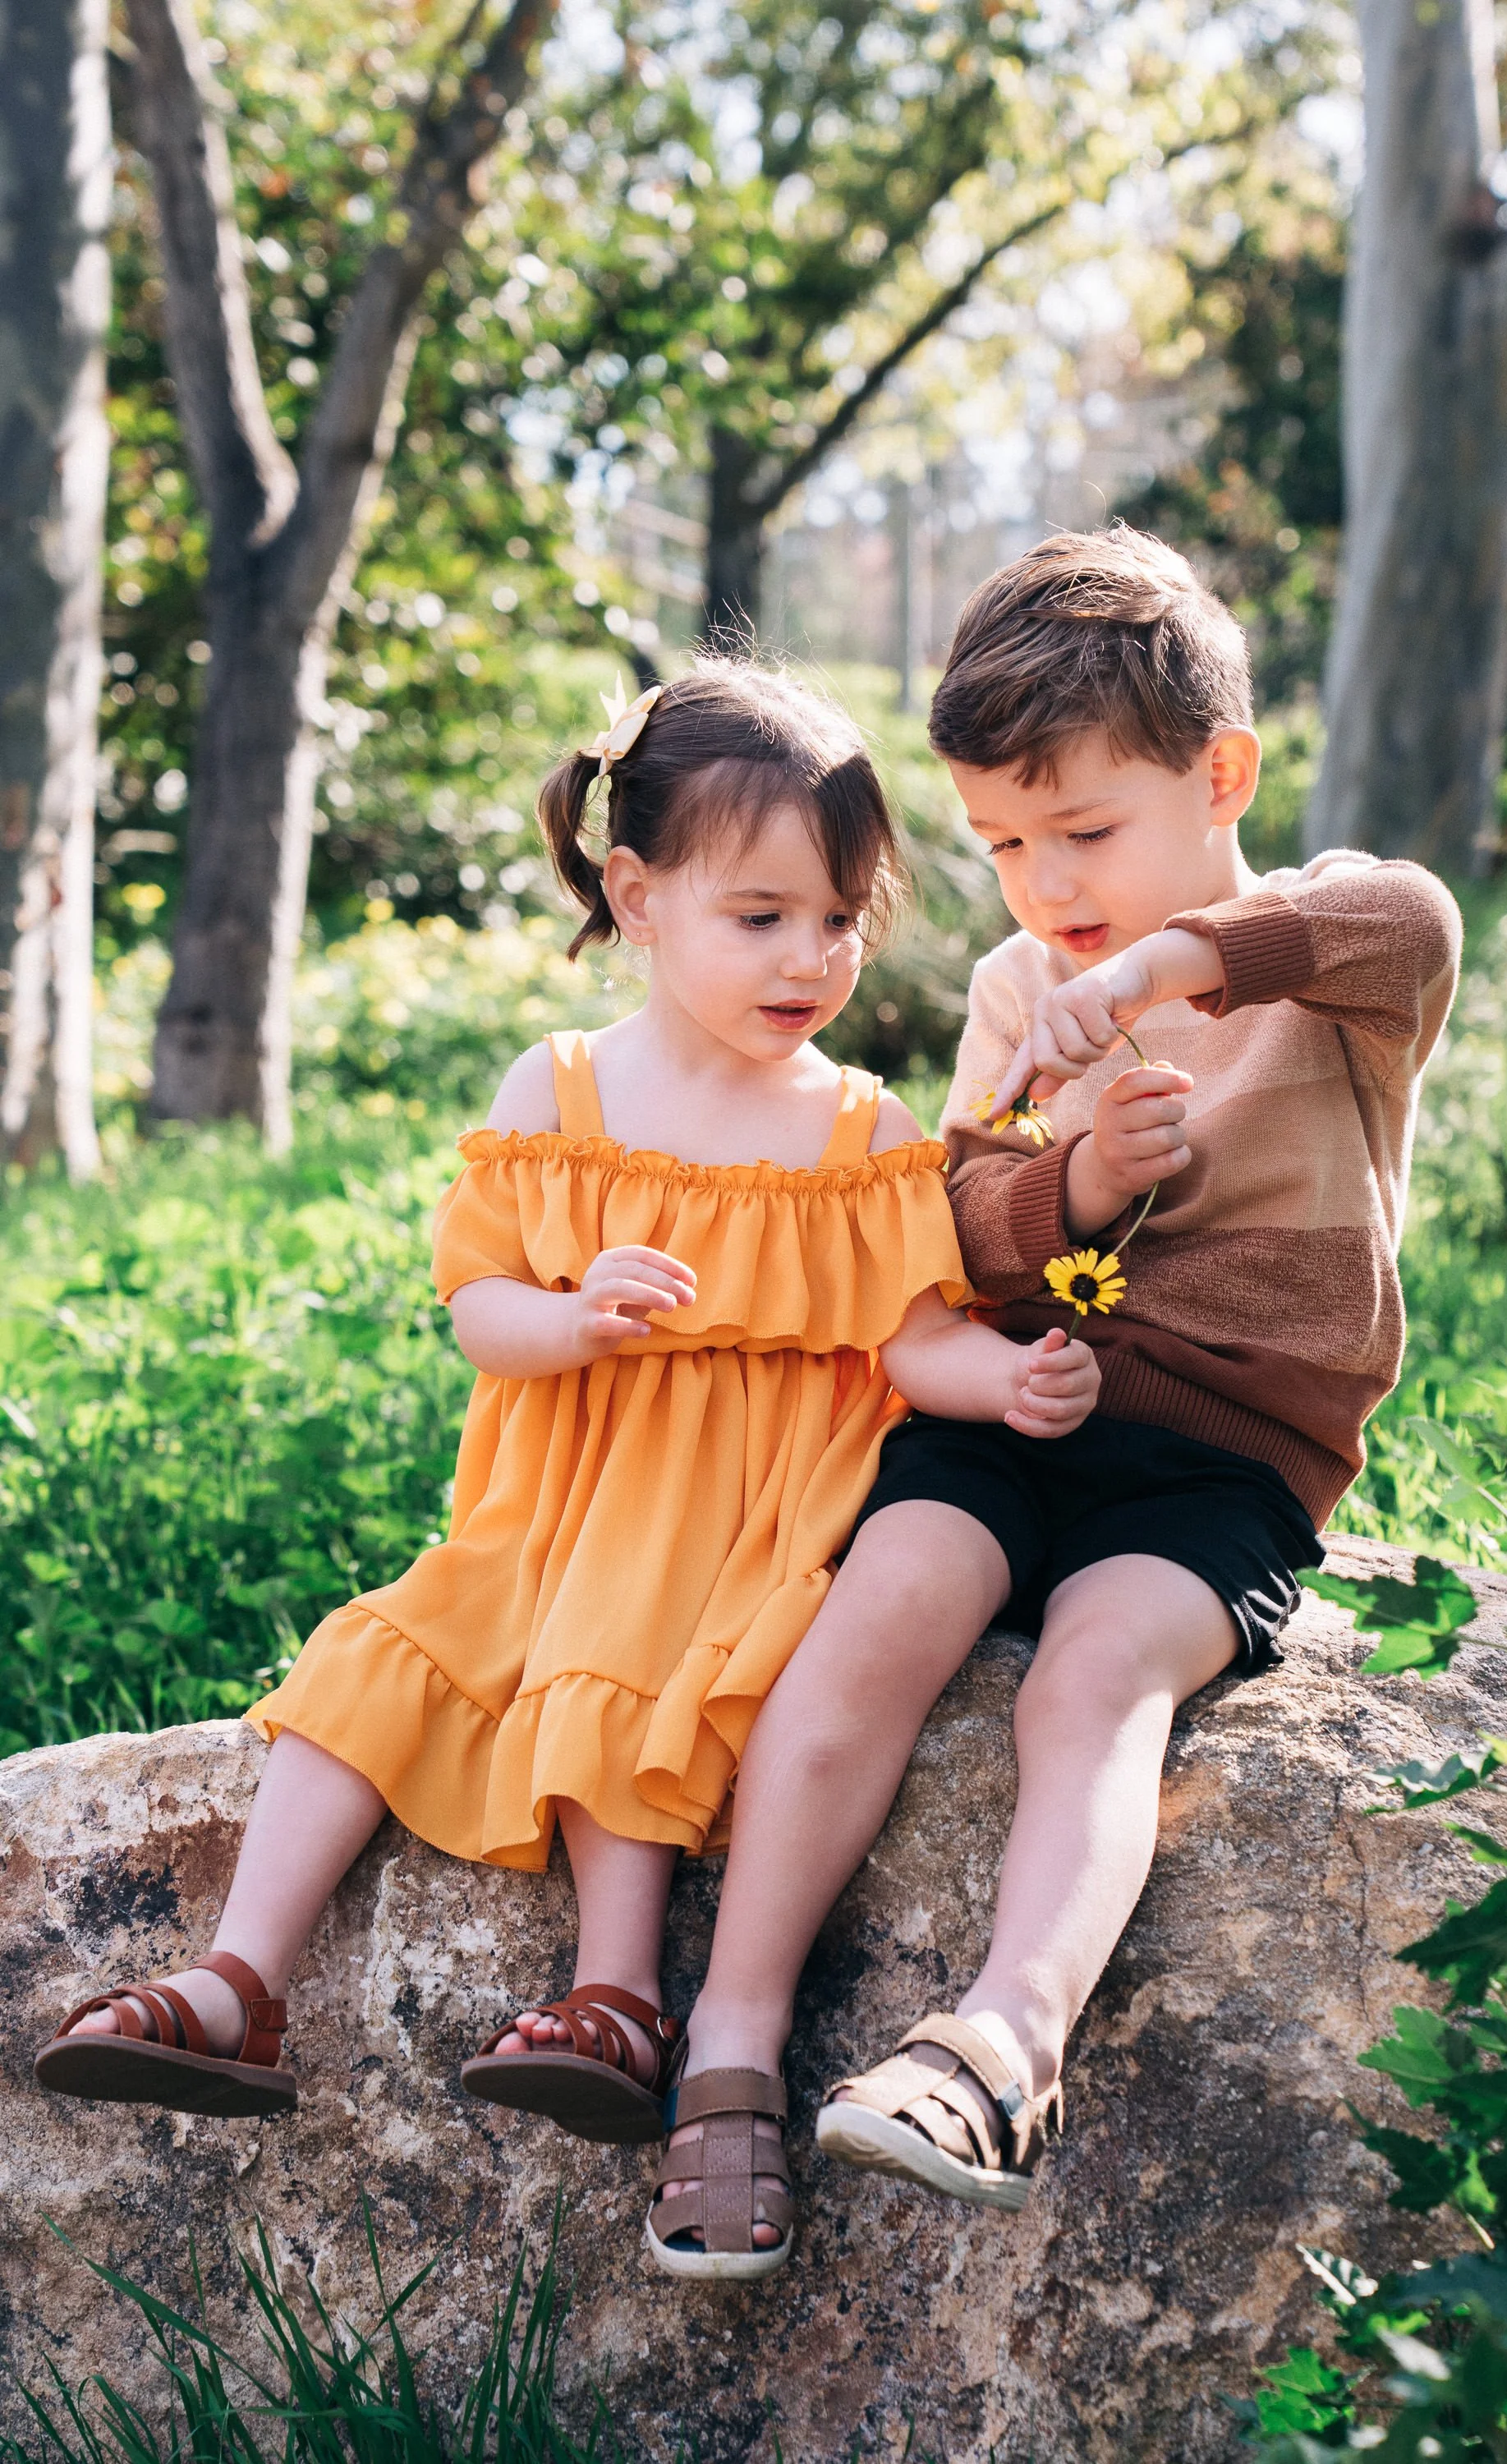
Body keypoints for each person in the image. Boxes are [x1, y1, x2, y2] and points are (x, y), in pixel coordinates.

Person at [34, 659, 1102, 2277]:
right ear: (637, 893)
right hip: (552, 1501)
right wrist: (572, 1315)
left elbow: (902, 1337)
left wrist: (1009, 1378)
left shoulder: (859, 1132)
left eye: (841, 918)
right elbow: (477, 1311)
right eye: (761, 916)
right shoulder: (563, 1089)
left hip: (735, 1521)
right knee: (370, 1666)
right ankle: (237, 1979)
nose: (810, 956)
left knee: (630, 1682)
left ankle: (618, 1996)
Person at [663, 526, 1462, 2251]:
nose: (1044, 886)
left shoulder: (1326, 972)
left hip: (1223, 1461)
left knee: (1097, 1671)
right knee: (881, 1610)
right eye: (1005, 843)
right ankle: (728, 2043)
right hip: (1020, 1405)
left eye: (1084, 831)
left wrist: (1161, 972)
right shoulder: (1020, 989)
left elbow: (1408, 914)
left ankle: (999, 2048)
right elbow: (958, 1231)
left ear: (1219, 773)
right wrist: (1079, 1183)